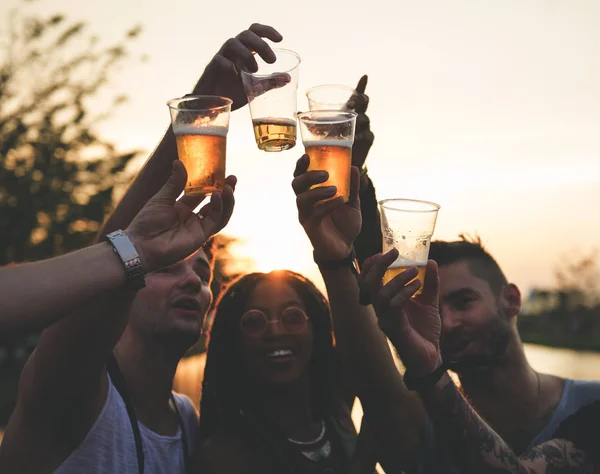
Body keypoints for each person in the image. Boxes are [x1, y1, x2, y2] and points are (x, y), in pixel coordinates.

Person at [0, 23, 280, 474]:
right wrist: (199, 107)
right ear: (125, 282)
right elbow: (119, 251)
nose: (193, 279)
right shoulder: (74, 391)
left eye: (203, 272)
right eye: (169, 267)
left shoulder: (187, 419)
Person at [358, 250, 600, 472]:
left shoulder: (592, 405)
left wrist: (430, 372)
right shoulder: (415, 420)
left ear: (512, 300)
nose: (449, 323)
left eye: (463, 302)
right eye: (434, 309)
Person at [192, 270, 378, 474]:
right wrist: (364, 459)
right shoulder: (223, 458)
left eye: (292, 317)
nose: (276, 332)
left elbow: (364, 339)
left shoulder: (337, 409)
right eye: (254, 321)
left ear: (316, 329)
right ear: (233, 341)